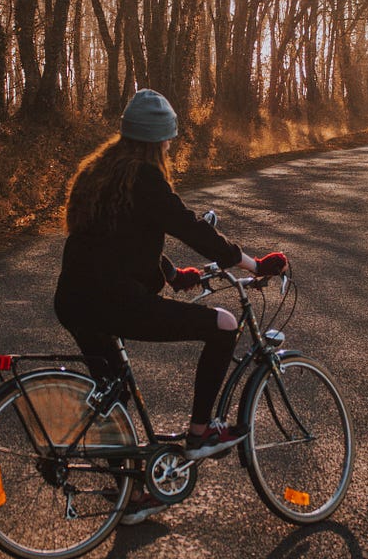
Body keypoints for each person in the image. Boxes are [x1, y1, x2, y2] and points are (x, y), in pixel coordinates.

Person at [54, 88, 288, 524]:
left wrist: (174, 276)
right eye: (168, 140)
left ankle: (129, 497)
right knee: (222, 324)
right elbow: (191, 229)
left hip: (74, 300)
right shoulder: (144, 178)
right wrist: (254, 264)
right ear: (159, 140)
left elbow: (119, 240)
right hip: (114, 301)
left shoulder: (99, 173)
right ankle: (200, 434)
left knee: (113, 395)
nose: (168, 147)